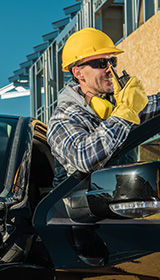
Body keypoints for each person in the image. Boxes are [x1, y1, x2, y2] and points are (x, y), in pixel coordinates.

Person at [47, 27, 160, 184]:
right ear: (78, 73)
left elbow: (156, 105)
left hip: (125, 198)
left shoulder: (118, 103)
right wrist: (124, 113)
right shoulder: (62, 118)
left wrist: (127, 106)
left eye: (112, 61)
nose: (110, 69)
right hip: (79, 206)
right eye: (100, 63)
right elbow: (85, 158)